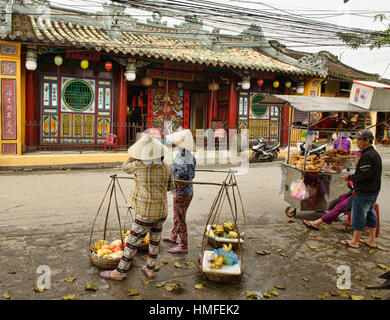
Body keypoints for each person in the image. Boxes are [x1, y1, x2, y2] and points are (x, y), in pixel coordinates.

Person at [100, 134, 173, 280]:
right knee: (154, 241)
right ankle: (150, 269)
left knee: (132, 243)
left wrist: (133, 156)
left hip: (145, 213)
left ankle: (119, 273)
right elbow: (169, 187)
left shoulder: (139, 165)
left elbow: (125, 166)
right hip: (161, 211)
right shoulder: (167, 168)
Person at [340, 129, 382, 249]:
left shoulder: (367, 156)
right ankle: (371, 240)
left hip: (364, 191)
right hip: (373, 190)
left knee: (358, 215)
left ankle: (355, 241)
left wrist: (350, 177)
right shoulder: (374, 154)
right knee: (370, 213)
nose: (357, 142)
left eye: (359, 140)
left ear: (367, 141)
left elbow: (365, 175)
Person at [303, 152, 361, 231]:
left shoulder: (362, 169)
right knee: (341, 199)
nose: (355, 159)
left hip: (359, 194)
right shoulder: (359, 168)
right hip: (356, 193)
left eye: (357, 157)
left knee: (339, 206)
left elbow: (360, 180)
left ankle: (317, 223)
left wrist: (350, 178)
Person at [163, 129, 196, 254]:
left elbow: (182, 172)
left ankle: (183, 245)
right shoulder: (188, 155)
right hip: (186, 190)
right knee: (177, 215)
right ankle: (173, 236)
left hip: (182, 191)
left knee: (181, 218)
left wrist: (175, 181)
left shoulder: (183, 155)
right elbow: (192, 173)